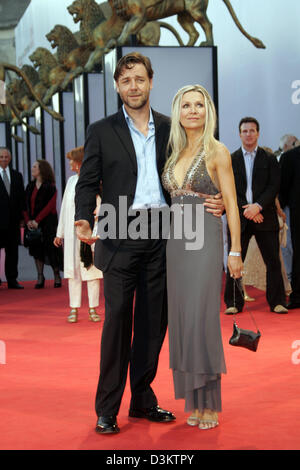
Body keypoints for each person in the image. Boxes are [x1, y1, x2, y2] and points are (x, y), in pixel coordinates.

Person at [74, 52, 224, 434]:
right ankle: (107, 407)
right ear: (116, 86)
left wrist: (217, 200)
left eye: (139, 79)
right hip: (120, 234)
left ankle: (142, 398)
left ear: (151, 81)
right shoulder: (101, 130)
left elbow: (193, 170)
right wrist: (83, 218)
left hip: (164, 235)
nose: (133, 87)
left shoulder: (171, 128)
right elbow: (89, 181)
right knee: (117, 322)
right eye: (126, 81)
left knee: (153, 325)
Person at [162, 84, 242, 430]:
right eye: (186, 105)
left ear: (208, 111)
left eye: (199, 104)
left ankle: (210, 405)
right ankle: (194, 401)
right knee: (182, 322)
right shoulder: (173, 152)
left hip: (205, 244)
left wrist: (235, 250)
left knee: (202, 321)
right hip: (175, 245)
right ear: (177, 111)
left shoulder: (217, 150)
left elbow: (232, 204)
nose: (192, 110)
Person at [224, 117, 288, 314]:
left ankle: (277, 302)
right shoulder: (231, 159)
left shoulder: (269, 159)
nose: (248, 134)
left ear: (258, 133)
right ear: (239, 134)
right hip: (240, 219)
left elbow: (274, 185)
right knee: (235, 259)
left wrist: (258, 207)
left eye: (252, 131)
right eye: (245, 131)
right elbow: (230, 188)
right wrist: (247, 209)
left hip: (264, 217)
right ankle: (234, 303)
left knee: (273, 262)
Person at [54, 146, 102, 323]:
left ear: (80, 162)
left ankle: (92, 308)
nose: (70, 164)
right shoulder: (71, 182)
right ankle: (74, 308)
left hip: (89, 234)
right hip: (72, 233)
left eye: (72, 161)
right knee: (73, 271)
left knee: (91, 271)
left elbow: (101, 208)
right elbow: (65, 209)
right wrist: (60, 233)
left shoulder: (96, 181)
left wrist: (96, 233)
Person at [24, 159, 63, 288]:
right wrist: (28, 220)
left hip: (48, 224)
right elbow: (24, 205)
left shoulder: (50, 186)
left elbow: (50, 206)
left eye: (35, 166)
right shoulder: (29, 186)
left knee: (52, 249)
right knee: (36, 249)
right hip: (33, 224)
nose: (32, 169)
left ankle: (57, 275)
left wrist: (37, 220)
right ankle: (40, 276)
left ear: (41, 169)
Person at [0, 146, 25, 289]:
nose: (4, 159)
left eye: (6, 157)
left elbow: (21, 197)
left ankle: (12, 279)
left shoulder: (17, 175)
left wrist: (22, 218)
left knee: (12, 251)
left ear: (10, 158)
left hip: (13, 221)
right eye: (1, 157)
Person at [279, 144, 300, 309]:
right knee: (297, 254)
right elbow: (283, 187)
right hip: (296, 212)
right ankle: (298, 295)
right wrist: (280, 212)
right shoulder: (290, 157)